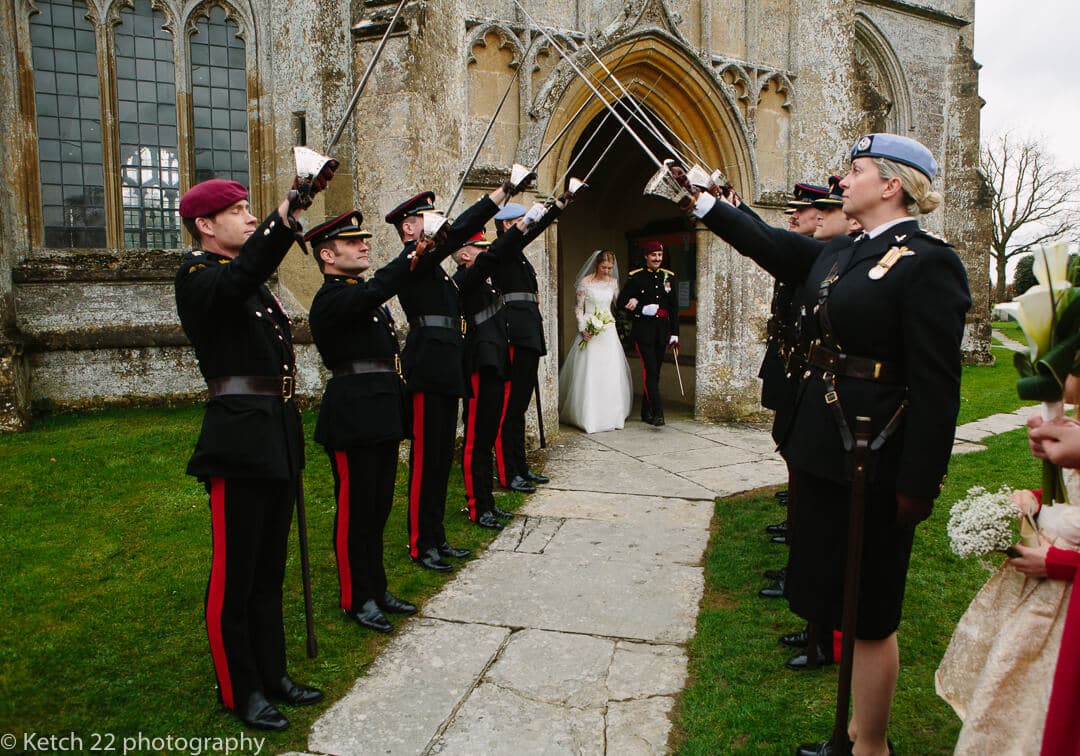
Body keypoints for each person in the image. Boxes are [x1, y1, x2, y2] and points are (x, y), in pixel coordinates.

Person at [672, 133, 971, 756]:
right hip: (826, 445)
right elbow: (775, 246)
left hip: (878, 455)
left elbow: (939, 385)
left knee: (871, 611)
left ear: (891, 184)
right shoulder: (843, 252)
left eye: (855, 170)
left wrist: (920, 482)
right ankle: (849, 733)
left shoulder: (927, 261)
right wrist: (707, 204)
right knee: (833, 588)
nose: (844, 180)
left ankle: (870, 744)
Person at [175, 169, 334, 731]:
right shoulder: (197, 276)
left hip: (276, 431)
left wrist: (281, 220)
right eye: (238, 210)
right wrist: (285, 218)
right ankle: (239, 689)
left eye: (251, 209)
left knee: (269, 568)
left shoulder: (250, 282)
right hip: (238, 440)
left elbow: (249, 274)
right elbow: (239, 278)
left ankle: (274, 674)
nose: (248, 216)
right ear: (205, 224)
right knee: (235, 574)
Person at [387, 179, 517, 572]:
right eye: (424, 216)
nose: (435, 220)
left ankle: (436, 536)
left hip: (447, 368)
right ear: (409, 228)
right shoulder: (415, 259)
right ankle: (420, 542)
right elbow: (458, 230)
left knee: (442, 459)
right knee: (426, 462)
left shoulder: (437, 268)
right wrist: (499, 196)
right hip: (427, 369)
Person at [306, 210, 419, 635]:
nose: (364, 246)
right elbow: (374, 292)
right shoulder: (332, 298)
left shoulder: (359, 294)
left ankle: (377, 588)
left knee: (377, 507)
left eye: (364, 241)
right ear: (328, 255)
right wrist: (410, 254)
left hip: (382, 408)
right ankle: (356, 597)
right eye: (354, 243)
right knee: (354, 513)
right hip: (352, 414)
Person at [491, 199, 565, 494]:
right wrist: (553, 210)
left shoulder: (517, 254)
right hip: (514, 336)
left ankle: (520, 467)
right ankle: (508, 472)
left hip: (528, 336)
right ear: (507, 225)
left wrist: (560, 205)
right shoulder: (501, 250)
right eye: (520, 221)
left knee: (519, 407)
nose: (526, 225)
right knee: (509, 408)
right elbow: (530, 232)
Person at [453, 226, 525, 529]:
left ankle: (488, 502)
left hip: (496, 362)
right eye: (480, 248)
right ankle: (477, 505)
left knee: (486, 437)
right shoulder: (464, 280)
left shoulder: (485, 283)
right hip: (481, 363)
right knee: (476, 440)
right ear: (466, 254)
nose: (486, 252)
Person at [558, 249, 633, 433]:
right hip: (590, 329)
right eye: (604, 267)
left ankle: (612, 415)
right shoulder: (585, 283)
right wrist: (583, 327)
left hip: (608, 330)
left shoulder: (613, 283)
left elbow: (619, 304)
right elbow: (579, 308)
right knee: (590, 371)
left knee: (610, 371)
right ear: (596, 265)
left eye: (610, 267)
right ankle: (588, 416)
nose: (607, 270)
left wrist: (633, 300)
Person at [617, 241, 680, 426]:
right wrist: (640, 309)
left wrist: (674, 332)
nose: (657, 259)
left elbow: (674, 307)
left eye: (659, 255)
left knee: (655, 373)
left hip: (662, 331)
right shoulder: (636, 278)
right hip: (643, 331)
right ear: (646, 256)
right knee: (650, 371)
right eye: (653, 255)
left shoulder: (668, 277)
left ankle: (646, 411)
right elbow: (621, 302)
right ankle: (658, 412)